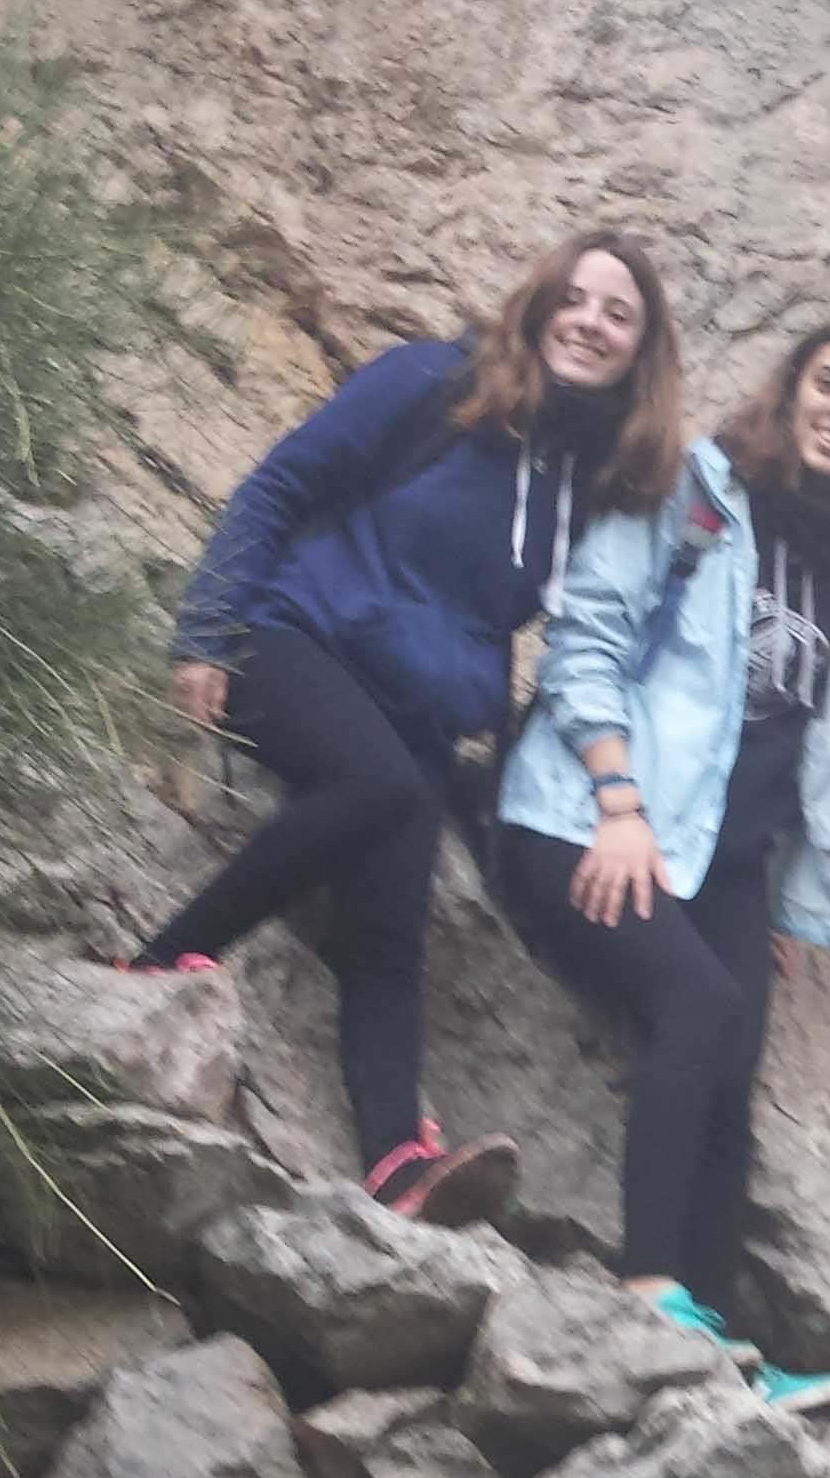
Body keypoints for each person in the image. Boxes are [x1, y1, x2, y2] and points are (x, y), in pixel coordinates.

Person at [129, 230, 686, 1225]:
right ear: (540, 303)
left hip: (416, 717)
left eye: (619, 315)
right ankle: (164, 959)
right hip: (290, 641)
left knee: (389, 935)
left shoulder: (586, 487)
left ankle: (397, 1163)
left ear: (641, 354)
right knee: (380, 788)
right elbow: (282, 484)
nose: (591, 323)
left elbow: (588, 641)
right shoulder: (434, 379)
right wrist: (206, 629)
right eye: (576, 297)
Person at [494, 318, 830, 1415]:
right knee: (693, 1006)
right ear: (792, 391)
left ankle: (724, 1355)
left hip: (729, 858)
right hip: (586, 815)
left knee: (731, 1073)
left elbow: (825, 737)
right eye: (828, 383)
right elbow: (585, 638)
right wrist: (617, 806)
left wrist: (790, 897)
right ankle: (651, 1296)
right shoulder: (699, 488)